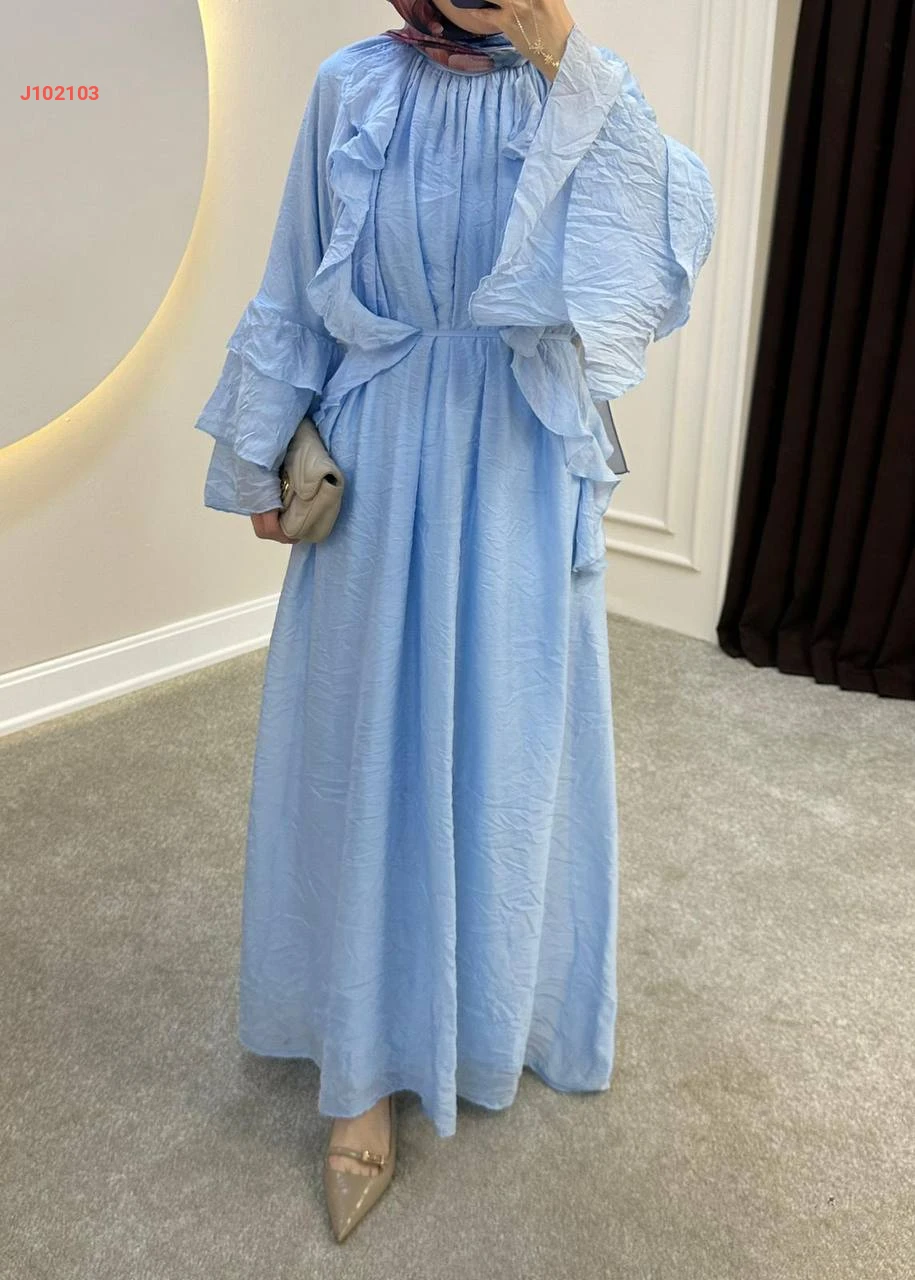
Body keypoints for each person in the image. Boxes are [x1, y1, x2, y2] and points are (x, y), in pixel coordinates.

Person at [193, 0, 717, 1243]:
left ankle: (491, 1008)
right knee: (360, 755)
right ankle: (361, 1068)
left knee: (507, 752)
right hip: (379, 455)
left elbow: (654, 261)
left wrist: (556, 45)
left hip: (522, 461)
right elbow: (295, 280)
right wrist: (259, 445)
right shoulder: (354, 86)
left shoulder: (580, 88)